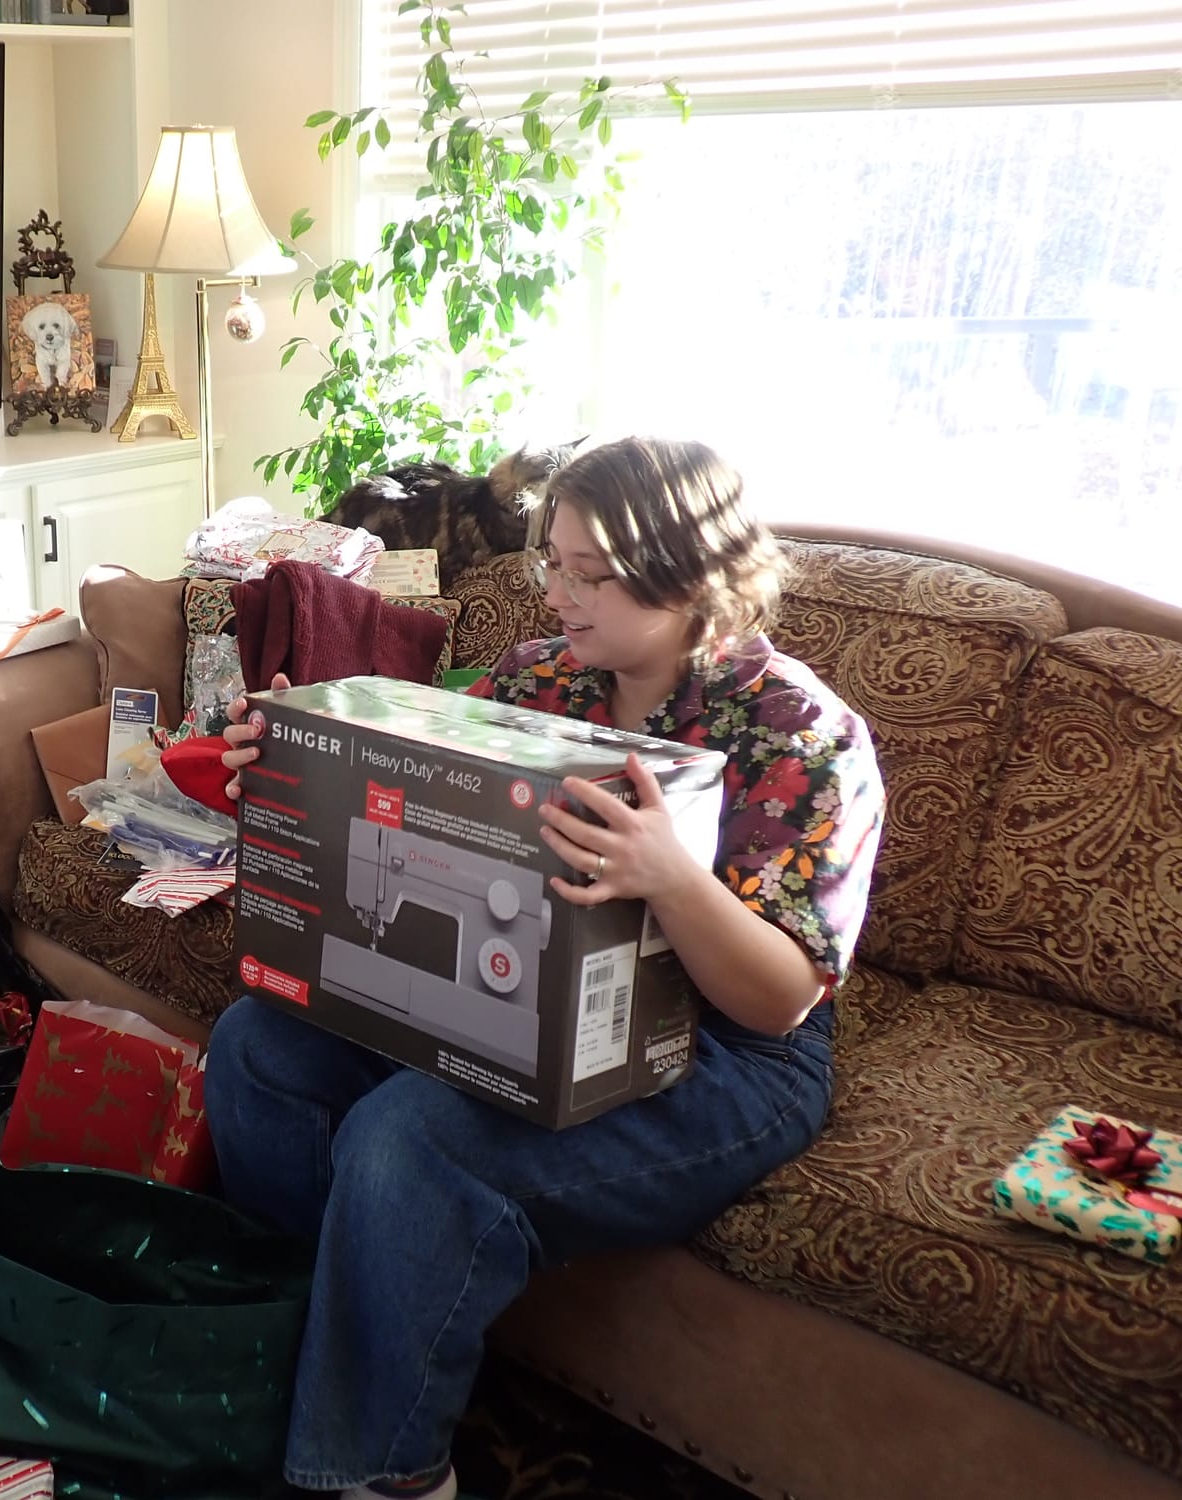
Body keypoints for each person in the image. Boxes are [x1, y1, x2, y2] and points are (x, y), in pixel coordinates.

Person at [207, 436, 885, 1500]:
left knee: (412, 1135)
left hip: (721, 1052)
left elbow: (779, 1002)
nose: (557, 594)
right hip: (523, 999)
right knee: (260, 1044)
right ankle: (295, 1355)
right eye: (550, 564)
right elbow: (405, 795)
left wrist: (670, 876)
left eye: (589, 574)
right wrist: (290, 765)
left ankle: (380, 1472)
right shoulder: (537, 678)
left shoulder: (800, 732)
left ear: (690, 574)